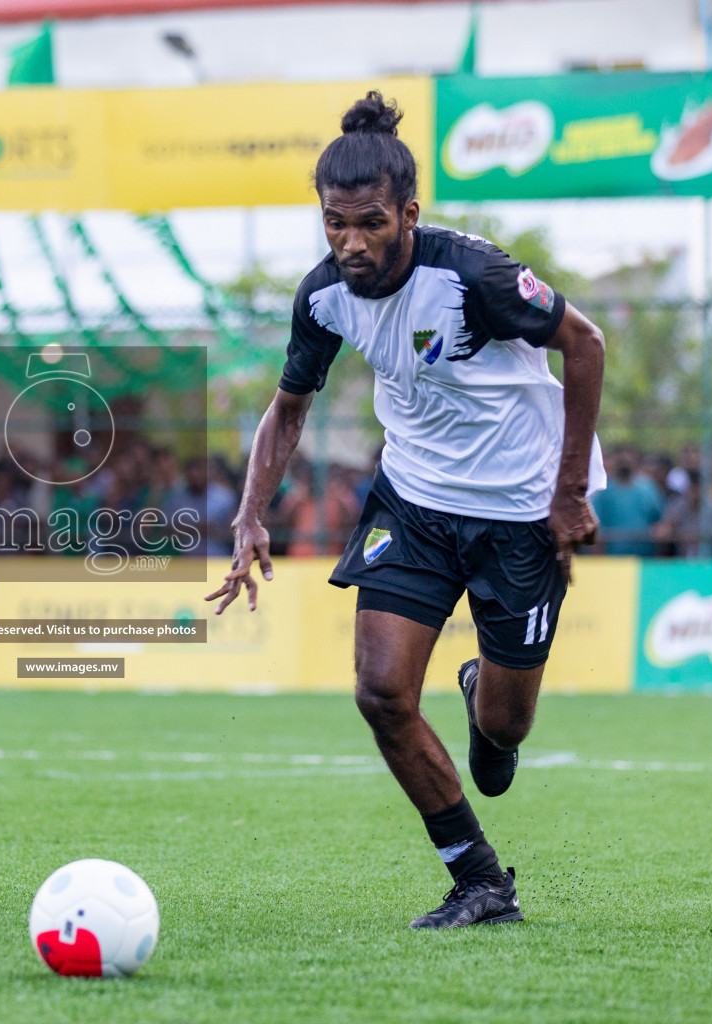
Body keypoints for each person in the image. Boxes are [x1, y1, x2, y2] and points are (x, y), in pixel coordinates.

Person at [205, 92, 606, 929]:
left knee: (502, 739)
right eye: (334, 224)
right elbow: (288, 409)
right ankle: (479, 881)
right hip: (415, 503)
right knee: (381, 693)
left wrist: (569, 492)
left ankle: (483, 701)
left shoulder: (475, 277)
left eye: (371, 224)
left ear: (409, 215)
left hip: (521, 511)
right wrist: (250, 515)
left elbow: (587, 344)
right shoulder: (322, 299)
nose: (351, 243)